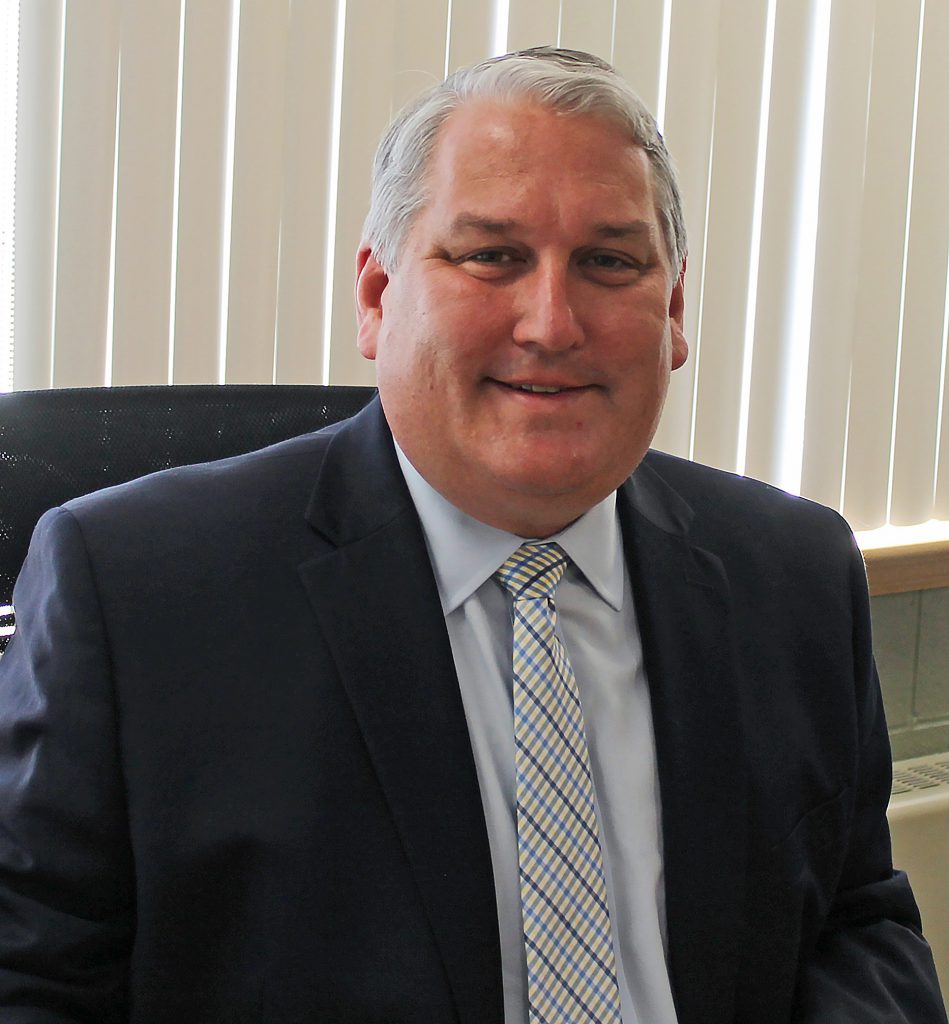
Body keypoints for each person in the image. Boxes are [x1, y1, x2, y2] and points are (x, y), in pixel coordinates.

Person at [0, 45, 944, 1024]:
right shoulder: (140, 592)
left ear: (671, 311)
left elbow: (852, 919)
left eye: (608, 262)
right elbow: (35, 986)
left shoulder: (789, 573)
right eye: (491, 255)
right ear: (377, 296)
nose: (551, 322)